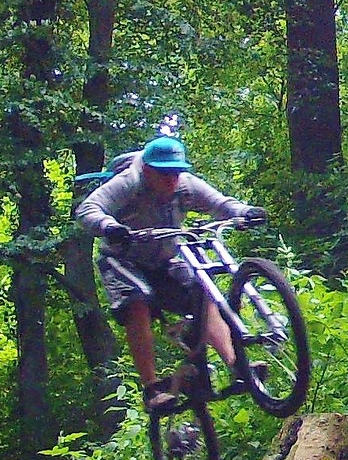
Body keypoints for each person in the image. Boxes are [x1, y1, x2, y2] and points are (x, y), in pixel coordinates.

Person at [74, 135, 268, 412]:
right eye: (164, 173)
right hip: (122, 260)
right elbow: (87, 209)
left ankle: (237, 366)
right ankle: (152, 389)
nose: (171, 180)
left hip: (163, 260)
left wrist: (244, 212)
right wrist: (109, 226)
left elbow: (219, 204)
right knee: (136, 300)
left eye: (176, 172)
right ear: (147, 170)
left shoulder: (185, 185)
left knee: (204, 293)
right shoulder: (128, 182)